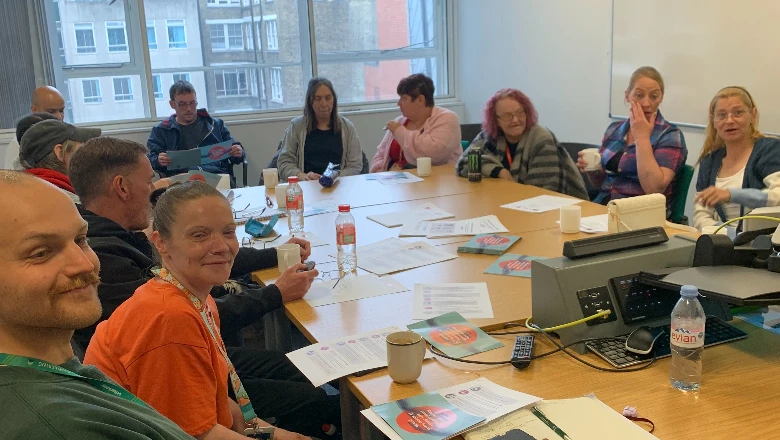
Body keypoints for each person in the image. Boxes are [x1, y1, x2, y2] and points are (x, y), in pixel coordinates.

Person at [69, 137, 338, 437]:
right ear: (161, 244)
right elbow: (199, 434)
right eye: (199, 235)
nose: (221, 247)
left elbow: (229, 411)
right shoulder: (169, 317)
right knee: (313, 395)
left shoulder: (196, 298)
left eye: (227, 232)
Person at [0, 170, 193, 439]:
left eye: (80, 240)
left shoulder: (56, 372)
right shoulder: (58, 426)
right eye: (41, 253)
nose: (84, 263)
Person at [576, 66, 687, 216]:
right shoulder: (614, 130)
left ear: (661, 98)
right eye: (639, 95)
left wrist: (642, 138)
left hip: (639, 216)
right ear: (627, 96)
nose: (646, 103)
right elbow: (601, 183)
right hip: (603, 209)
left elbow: (654, 189)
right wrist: (592, 171)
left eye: (654, 96)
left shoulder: (670, 135)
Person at [456, 88, 588, 199]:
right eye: (508, 116)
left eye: (520, 113)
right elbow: (463, 164)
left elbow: (542, 193)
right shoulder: (490, 136)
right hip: (508, 201)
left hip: (555, 211)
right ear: (496, 120)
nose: (515, 120)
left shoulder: (541, 139)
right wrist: (499, 171)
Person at [693, 86, 780, 230]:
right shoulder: (709, 161)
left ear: (753, 115)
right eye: (721, 115)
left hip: (762, 242)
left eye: (738, 113)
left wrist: (732, 195)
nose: (729, 120)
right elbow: (700, 214)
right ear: (714, 121)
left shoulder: (769, 150)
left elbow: (777, 197)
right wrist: (726, 236)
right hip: (720, 241)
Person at [147, 80, 245, 187]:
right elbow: (151, 161)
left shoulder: (215, 124)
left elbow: (235, 152)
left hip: (216, 175)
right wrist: (158, 160)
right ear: (172, 104)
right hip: (182, 181)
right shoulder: (162, 130)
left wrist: (238, 152)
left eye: (192, 103)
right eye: (182, 104)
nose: (189, 109)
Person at [370, 73, 462, 172]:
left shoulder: (447, 118)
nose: (399, 103)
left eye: (404, 98)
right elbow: (380, 155)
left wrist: (400, 132)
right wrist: (381, 174)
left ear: (420, 100)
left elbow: (433, 154)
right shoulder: (399, 121)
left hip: (437, 182)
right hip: (397, 183)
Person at [277, 77, 363, 181]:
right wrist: (302, 175)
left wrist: (335, 177)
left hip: (338, 187)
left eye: (328, 98)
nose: (324, 104)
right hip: (306, 187)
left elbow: (355, 165)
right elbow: (284, 162)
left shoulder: (347, 127)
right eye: (318, 98)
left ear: (334, 100)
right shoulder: (296, 126)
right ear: (310, 102)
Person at [18, 118, 101, 203]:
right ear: (60, 152)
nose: (87, 155)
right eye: (81, 149)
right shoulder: (70, 203)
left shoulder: (23, 190)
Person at [4, 86, 66, 170]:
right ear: (34, 110)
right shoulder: (20, 143)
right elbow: (13, 179)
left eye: (61, 111)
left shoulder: (69, 137)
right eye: (51, 111)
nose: (59, 117)